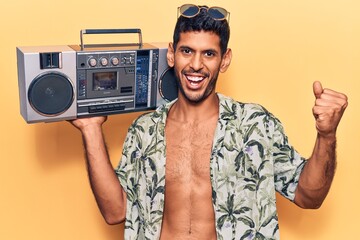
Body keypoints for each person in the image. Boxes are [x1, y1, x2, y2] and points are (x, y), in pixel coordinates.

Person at [71, 4, 348, 240]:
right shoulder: (144, 131)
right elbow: (115, 211)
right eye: (187, 51)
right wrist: (91, 128)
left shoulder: (255, 125)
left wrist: (326, 136)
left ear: (224, 59)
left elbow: (308, 197)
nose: (196, 65)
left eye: (209, 54)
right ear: (171, 54)